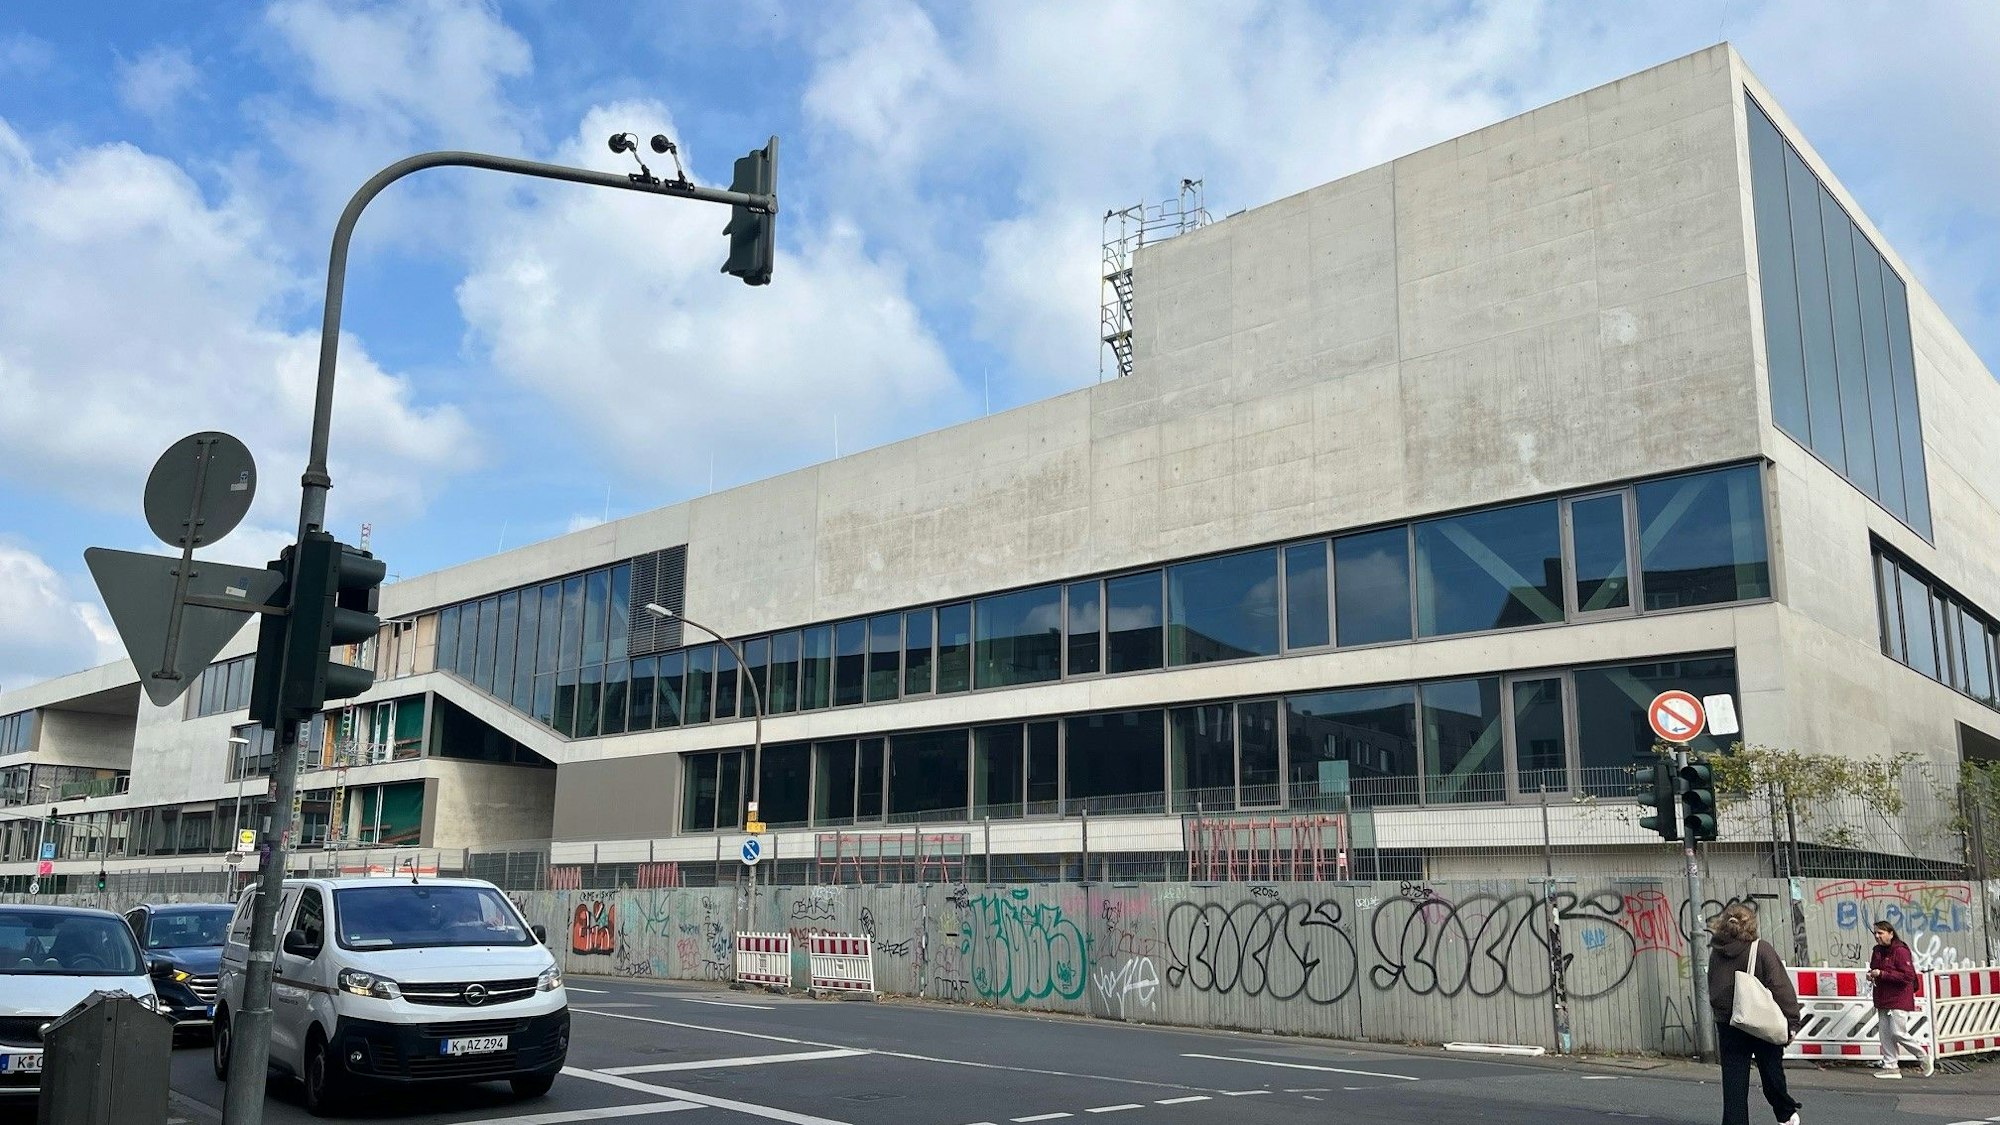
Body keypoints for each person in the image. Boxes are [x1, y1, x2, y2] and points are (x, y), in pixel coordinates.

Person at [1708, 903, 1803, 1125]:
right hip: (1761, 1022)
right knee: (1772, 1074)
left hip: (1730, 1023)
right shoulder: (1760, 949)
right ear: (1751, 924)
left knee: (1734, 1082)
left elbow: (1713, 986)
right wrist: (1792, 1021)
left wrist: (1723, 1015)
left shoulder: (1717, 952)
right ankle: (1785, 1113)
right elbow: (1780, 986)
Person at [1868, 920, 1933, 1078]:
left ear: (1890, 934)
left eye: (1880, 933)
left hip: (1898, 997)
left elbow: (1908, 976)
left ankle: (1923, 1056)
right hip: (1883, 995)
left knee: (1898, 1032)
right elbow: (1874, 968)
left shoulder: (1900, 951)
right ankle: (1890, 1066)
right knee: (1884, 1033)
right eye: (1875, 933)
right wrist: (1871, 975)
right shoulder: (1877, 950)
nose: (1877, 936)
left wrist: (1882, 974)